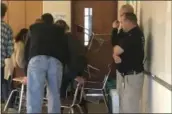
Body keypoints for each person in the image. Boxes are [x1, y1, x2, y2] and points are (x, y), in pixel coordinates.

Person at [25, 13, 68, 113]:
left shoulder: (34, 28)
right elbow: (65, 49)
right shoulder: (60, 30)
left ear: (42, 20)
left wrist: (26, 67)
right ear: (52, 21)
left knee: (35, 93)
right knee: (54, 93)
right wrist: (63, 64)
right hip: (56, 60)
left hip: (37, 58)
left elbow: (28, 47)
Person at [112, 13, 145, 113]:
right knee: (124, 106)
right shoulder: (131, 34)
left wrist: (115, 53)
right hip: (128, 76)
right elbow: (116, 47)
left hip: (132, 76)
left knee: (129, 109)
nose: (121, 25)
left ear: (128, 21)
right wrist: (115, 54)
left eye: (122, 22)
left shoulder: (133, 35)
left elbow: (117, 50)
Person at [1, 2, 14, 106]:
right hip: (1, 62)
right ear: (4, 14)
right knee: (2, 84)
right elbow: (10, 50)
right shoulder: (8, 28)